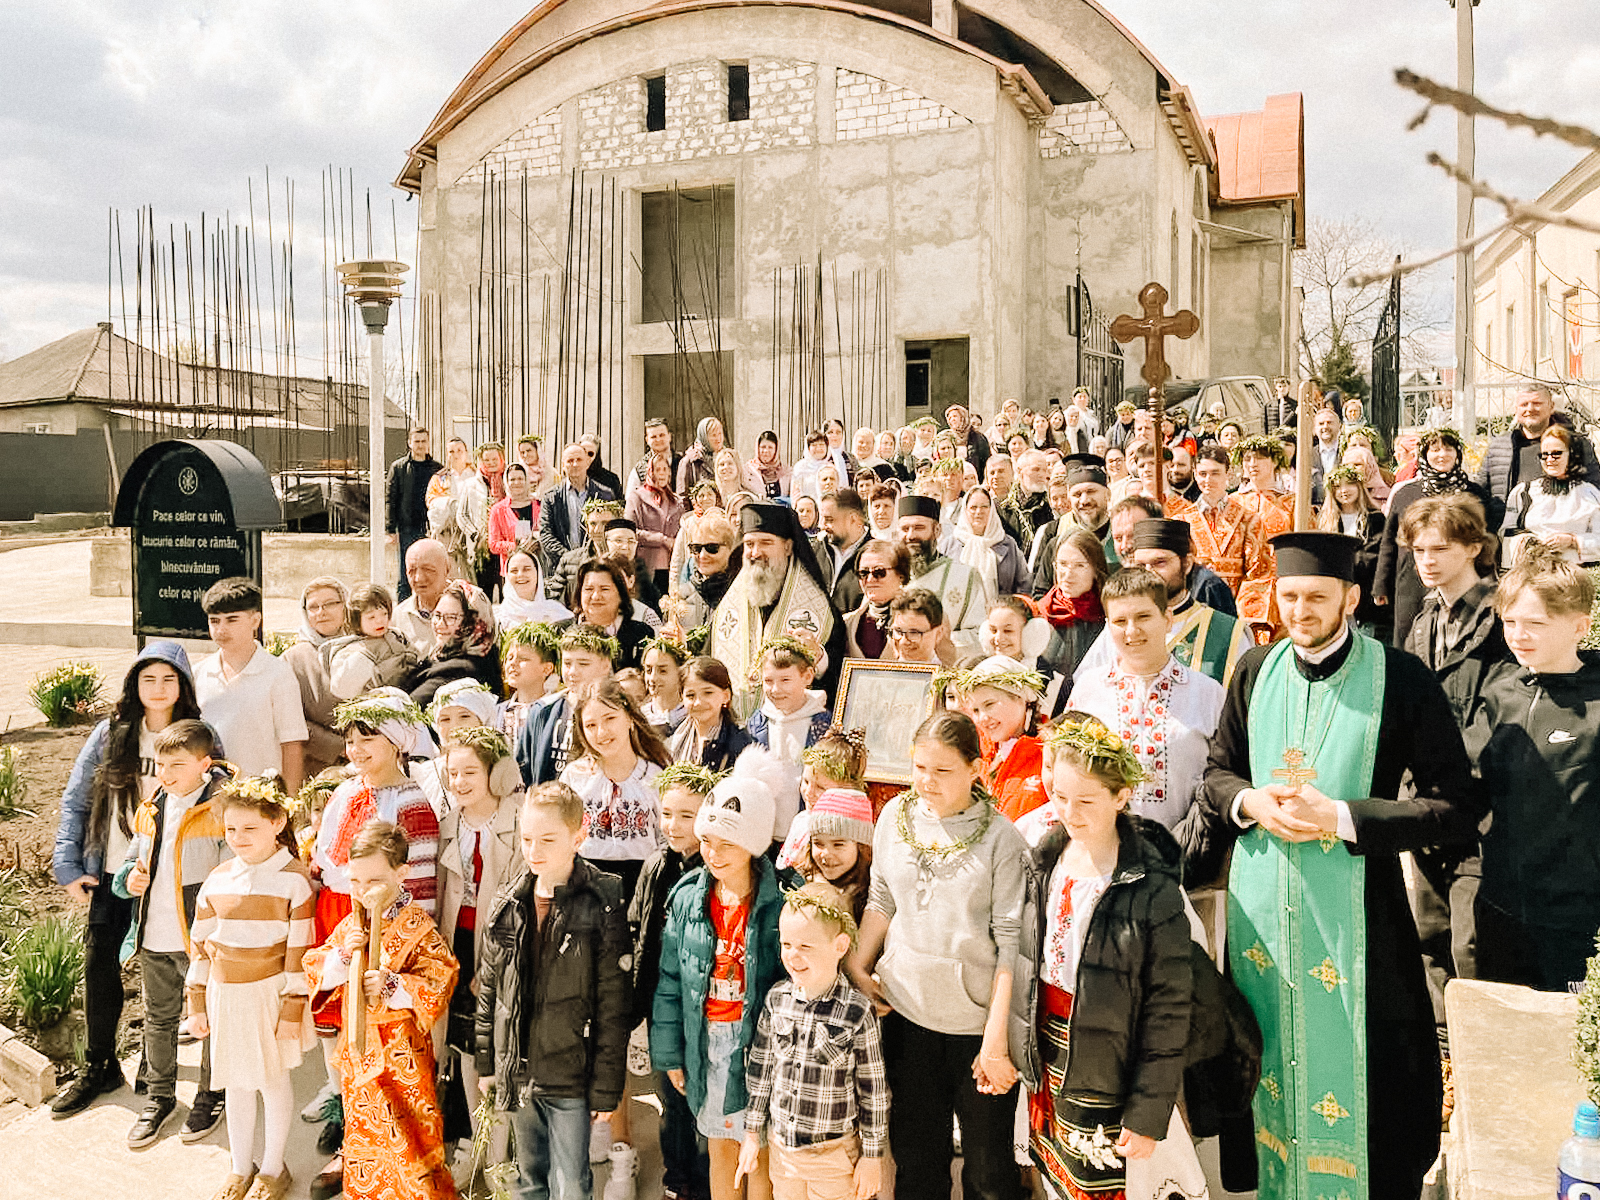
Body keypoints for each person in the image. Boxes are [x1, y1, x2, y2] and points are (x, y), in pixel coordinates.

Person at [1199, 531, 1478, 1199]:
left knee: (1369, 1082)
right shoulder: (1253, 670)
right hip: (1260, 923)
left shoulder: (1400, 677)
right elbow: (1217, 774)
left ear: (1351, 597)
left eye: (1317, 597)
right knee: (1266, 1069)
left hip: (1361, 921)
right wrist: (1251, 803)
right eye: (1289, 596)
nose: (1301, 610)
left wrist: (1344, 818)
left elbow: (1455, 805)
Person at [1010, 715, 1193, 1200]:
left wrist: (1148, 1111)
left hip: (1111, 1064)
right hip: (1050, 1059)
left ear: (1121, 795)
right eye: (1061, 797)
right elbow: (1025, 967)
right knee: (1055, 1183)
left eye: (1087, 800)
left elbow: (1170, 1008)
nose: (1070, 812)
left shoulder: (1151, 886)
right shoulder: (1044, 862)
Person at [849, 711, 1027, 1200]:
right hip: (906, 1017)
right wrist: (858, 967)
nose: (927, 781)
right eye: (920, 767)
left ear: (976, 768)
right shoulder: (894, 816)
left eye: (943, 770)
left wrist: (996, 1038)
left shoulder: (1002, 840)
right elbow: (882, 898)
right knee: (917, 1159)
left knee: (988, 1172)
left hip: (974, 1031)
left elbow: (1010, 940)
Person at [51, 643, 204, 1116]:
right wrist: (69, 865)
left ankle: (156, 1067)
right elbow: (77, 800)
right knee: (100, 965)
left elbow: (215, 803)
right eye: (148, 679)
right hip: (116, 869)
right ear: (134, 686)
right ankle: (100, 1064)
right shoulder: (111, 735)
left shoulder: (198, 736)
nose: (158, 690)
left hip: (173, 878)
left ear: (183, 686)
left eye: (169, 679)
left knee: (168, 970)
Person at [471, 779, 629, 1200]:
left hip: (571, 1079)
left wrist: (606, 1087)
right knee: (529, 1179)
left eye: (547, 839)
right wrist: (488, 1063)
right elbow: (491, 991)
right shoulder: (509, 900)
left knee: (572, 1184)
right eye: (526, 838)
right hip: (521, 1072)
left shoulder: (602, 903)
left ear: (579, 835)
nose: (533, 850)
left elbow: (613, 1007)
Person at [1399, 494, 1509, 1079]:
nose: (1428, 561)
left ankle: (1482, 1065)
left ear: (1474, 547)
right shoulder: (1423, 622)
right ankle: (1447, 1063)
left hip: (1479, 800)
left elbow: (1503, 706)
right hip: (1427, 802)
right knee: (1431, 933)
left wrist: (1452, 766)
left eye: (1440, 549)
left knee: (1471, 943)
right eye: (1419, 550)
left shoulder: (1500, 614)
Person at [652, 753, 785, 1200]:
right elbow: (670, 980)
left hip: (759, 1046)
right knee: (720, 1147)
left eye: (727, 844)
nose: (713, 853)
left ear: (753, 845)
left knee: (760, 1152)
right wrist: (670, 1053)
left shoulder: (781, 902)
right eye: (707, 840)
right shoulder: (688, 898)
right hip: (707, 1038)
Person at [304, 821, 459, 1200]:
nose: (362, 890)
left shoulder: (418, 927)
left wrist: (395, 987)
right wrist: (342, 957)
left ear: (401, 873)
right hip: (359, 1050)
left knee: (408, 1135)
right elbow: (315, 966)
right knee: (365, 1134)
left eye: (373, 881)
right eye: (355, 881)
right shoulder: (352, 923)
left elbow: (441, 976)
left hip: (402, 1052)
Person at [1474, 547, 1600, 993]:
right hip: (1500, 910)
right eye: (1509, 622)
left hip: (1576, 922)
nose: (1518, 635)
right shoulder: (1499, 692)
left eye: (1536, 624)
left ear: (1580, 627)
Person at [185, 775, 315, 1200]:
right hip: (227, 996)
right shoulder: (218, 879)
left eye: (250, 829)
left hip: (270, 996)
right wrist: (198, 1002)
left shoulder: (294, 881)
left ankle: (274, 1169)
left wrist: (293, 1011)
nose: (239, 838)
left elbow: (299, 955)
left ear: (277, 821)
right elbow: (201, 947)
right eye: (231, 829)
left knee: (273, 1081)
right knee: (236, 1083)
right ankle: (240, 1167)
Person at [112, 718, 231, 1149]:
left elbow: (234, 875)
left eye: (176, 765)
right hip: (154, 936)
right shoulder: (154, 805)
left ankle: (210, 1093)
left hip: (199, 939)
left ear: (205, 764)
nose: (165, 773)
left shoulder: (221, 809)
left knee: (209, 1021)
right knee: (158, 1019)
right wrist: (128, 879)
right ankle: (159, 1097)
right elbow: (130, 861)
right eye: (160, 764)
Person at [738, 880, 889, 1200]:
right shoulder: (777, 999)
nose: (793, 956)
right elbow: (761, 1071)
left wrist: (872, 1156)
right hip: (784, 1153)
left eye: (805, 947)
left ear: (840, 946)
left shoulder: (857, 1011)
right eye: (787, 944)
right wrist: (752, 1133)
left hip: (834, 1155)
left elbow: (873, 1090)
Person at [1069, 566, 1225, 831]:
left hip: (1186, 857)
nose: (1132, 631)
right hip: (1106, 852)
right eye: (1120, 621)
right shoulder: (1088, 690)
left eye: (1143, 616)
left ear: (1167, 619)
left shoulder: (1208, 694)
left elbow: (1225, 777)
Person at [434, 725, 523, 1182]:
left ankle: (502, 1155)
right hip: (459, 947)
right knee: (465, 1048)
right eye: (453, 773)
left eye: (471, 771)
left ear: (497, 772)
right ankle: (479, 1139)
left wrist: (494, 960)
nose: (461, 781)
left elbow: (523, 900)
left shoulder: (518, 820)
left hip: (503, 951)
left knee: (500, 1049)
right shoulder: (449, 824)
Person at [627, 765, 715, 1200]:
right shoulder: (655, 865)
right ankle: (675, 1181)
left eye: (687, 815)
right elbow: (639, 929)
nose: (674, 825)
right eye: (668, 813)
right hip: (661, 1006)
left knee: (700, 1103)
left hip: (701, 1005)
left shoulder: (717, 869)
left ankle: (704, 1184)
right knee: (669, 1102)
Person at [707, 503, 845, 720]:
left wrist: (818, 656)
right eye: (749, 544)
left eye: (766, 543)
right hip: (733, 731)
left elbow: (839, 673)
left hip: (795, 728)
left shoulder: (821, 609)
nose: (755, 552)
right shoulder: (727, 606)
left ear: (788, 547)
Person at [1376, 427, 1493, 649]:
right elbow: (1389, 541)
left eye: (1448, 449)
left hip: (1461, 579)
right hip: (1412, 579)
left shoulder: (1475, 494)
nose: (1442, 455)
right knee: (1410, 641)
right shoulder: (1406, 493)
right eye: (1435, 449)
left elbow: (1485, 539)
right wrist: (1381, 584)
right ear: (1424, 455)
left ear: (1458, 453)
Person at [559, 677, 670, 900]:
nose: (601, 732)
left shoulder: (655, 776)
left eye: (610, 718)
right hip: (585, 890)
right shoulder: (574, 776)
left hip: (641, 888)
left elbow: (666, 839)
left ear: (630, 718)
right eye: (590, 725)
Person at [195, 577, 308, 794]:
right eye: (214, 621)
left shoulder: (278, 674)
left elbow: (292, 744)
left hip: (259, 799)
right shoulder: (198, 673)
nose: (221, 629)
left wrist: (290, 802)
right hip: (208, 799)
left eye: (232, 620)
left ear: (255, 621)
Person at [1473, 381, 1600, 528]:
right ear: (1516, 409)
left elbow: (1594, 490)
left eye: (1537, 403)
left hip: (1560, 534)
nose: (1530, 409)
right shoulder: (1499, 446)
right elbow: (1481, 491)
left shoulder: (1576, 444)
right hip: (1510, 535)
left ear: (1551, 407)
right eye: (1524, 404)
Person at [1184, 446, 1274, 639]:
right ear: (1195, 474)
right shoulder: (1181, 520)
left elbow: (1258, 573)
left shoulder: (1249, 519)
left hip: (1234, 611)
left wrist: (1241, 615)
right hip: (1193, 608)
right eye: (1203, 474)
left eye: (1215, 473)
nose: (1208, 480)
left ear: (1229, 473)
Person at [955, 655, 1048, 822]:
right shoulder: (976, 751)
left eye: (989, 704)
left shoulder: (1050, 751)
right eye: (975, 710)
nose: (982, 718)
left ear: (1020, 698)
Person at [896, 494, 990, 654]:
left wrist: (929, 641)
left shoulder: (965, 576)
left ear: (937, 530)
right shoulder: (886, 575)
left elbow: (980, 635)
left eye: (919, 528)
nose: (911, 536)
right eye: (905, 529)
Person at [1500, 422, 1600, 565]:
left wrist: (1573, 541)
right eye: (1544, 455)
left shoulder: (1589, 494)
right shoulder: (1523, 493)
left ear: (1571, 454)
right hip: (1532, 573)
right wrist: (1529, 543)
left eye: (1556, 454)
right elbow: (1505, 535)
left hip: (1573, 575)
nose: (1550, 460)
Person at [282, 578, 350, 779]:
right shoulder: (293, 659)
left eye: (330, 604)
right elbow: (289, 719)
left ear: (345, 605)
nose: (322, 612)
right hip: (318, 770)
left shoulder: (366, 646)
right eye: (313, 607)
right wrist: (340, 747)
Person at [407, 579, 503, 708]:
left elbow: (406, 711)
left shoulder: (460, 669)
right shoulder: (444, 654)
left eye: (451, 617)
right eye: (437, 615)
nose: (440, 624)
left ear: (473, 623)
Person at [325, 583, 423, 702]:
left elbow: (418, 658)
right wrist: (364, 656)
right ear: (356, 620)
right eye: (371, 617)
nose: (380, 621)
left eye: (384, 614)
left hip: (411, 694)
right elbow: (341, 689)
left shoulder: (397, 636)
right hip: (375, 706)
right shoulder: (349, 650)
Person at [1039, 527, 1106, 693]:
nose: (1068, 575)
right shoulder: (1040, 613)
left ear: (1095, 570)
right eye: (1062, 564)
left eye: (1079, 566)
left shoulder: (1110, 617)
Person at [563, 557, 655, 671]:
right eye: (588, 589)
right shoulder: (561, 631)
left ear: (620, 594)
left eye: (604, 589)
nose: (596, 596)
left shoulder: (641, 634)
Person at [387, 426, 443, 602]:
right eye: (416, 441)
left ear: (428, 443)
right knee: (406, 573)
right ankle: (403, 608)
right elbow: (391, 498)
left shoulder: (438, 469)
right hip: (407, 528)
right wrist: (390, 529)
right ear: (410, 443)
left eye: (423, 441)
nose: (420, 445)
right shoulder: (398, 467)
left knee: (431, 569)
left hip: (431, 529)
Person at [541, 441, 618, 565]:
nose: (575, 464)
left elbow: (612, 530)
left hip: (596, 564)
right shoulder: (551, 498)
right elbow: (546, 535)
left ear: (588, 462)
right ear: (563, 465)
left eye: (579, 459)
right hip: (562, 565)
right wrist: (570, 558)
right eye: (570, 461)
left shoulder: (605, 494)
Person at [625, 451, 683, 595]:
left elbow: (682, 532)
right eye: (658, 469)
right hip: (646, 566)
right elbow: (630, 531)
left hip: (672, 567)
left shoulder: (676, 501)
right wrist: (662, 539)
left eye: (665, 469)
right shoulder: (636, 497)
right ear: (650, 472)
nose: (662, 473)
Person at [955, 486, 1028, 599]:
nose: (979, 512)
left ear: (992, 509)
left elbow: (1024, 583)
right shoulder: (950, 545)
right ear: (965, 510)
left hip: (1002, 612)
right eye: (973, 507)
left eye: (984, 507)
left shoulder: (1008, 544)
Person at [394, 538, 454, 657]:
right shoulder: (397, 618)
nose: (419, 578)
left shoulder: (471, 606)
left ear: (447, 569)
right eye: (412, 571)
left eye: (428, 570)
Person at [495, 543, 572, 631]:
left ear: (538, 573)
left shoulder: (558, 613)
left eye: (526, 569)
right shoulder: (499, 620)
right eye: (514, 571)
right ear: (507, 576)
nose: (520, 575)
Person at [817, 488, 872, 614]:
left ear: (853, 519)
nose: (822, 525)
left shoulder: (876, 557)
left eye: (829, 519)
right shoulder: (817, 551)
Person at [487, 461, 541, 578]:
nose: (517, 483)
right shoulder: (498, 510)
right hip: (512, 570)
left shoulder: (539, 505)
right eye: (512, 479)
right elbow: (493, 544)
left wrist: (536, 542)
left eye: (520, 479)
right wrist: (515, 546)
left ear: (526, 480)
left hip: (538, 567)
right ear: (506, 482)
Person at [639, 636, 688, 735]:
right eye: (648, 671)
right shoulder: (639, 717)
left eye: (662, 671)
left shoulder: (691, 715)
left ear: (681, 672)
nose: (653, 678)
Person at [626, 418, 680, 501]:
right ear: (647, 440)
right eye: (653, 437)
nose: (658, 439)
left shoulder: (683, 462)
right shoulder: (639, 469)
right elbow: (630, 500)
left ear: (669, 436)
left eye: (662, 435)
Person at [678, 417, 728, 495]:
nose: (718, 438)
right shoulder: (691, 461)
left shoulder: (728, 458)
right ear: (704, 437)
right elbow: (682, 494)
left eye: (720, 433)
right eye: (713, 435)